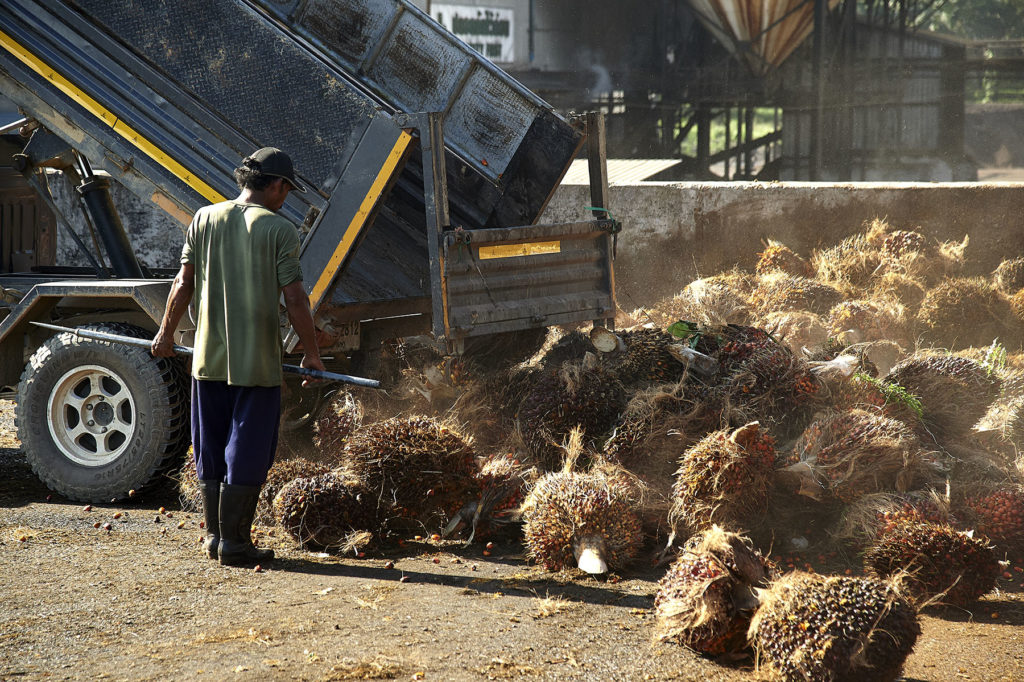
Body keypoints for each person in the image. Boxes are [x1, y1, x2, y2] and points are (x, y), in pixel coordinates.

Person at [152, 147, 325, 567]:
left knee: (208, 444)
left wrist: (165, 332)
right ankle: (235, 544)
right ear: (278, 185)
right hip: (255, 363)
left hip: (207, 359)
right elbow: (296, 300)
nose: (286, 197)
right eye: (287, 189)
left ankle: (214, 539)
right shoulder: (280, 230)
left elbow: (183, 281)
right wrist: (313, 354)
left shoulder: (204, 218)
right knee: (247, 448)